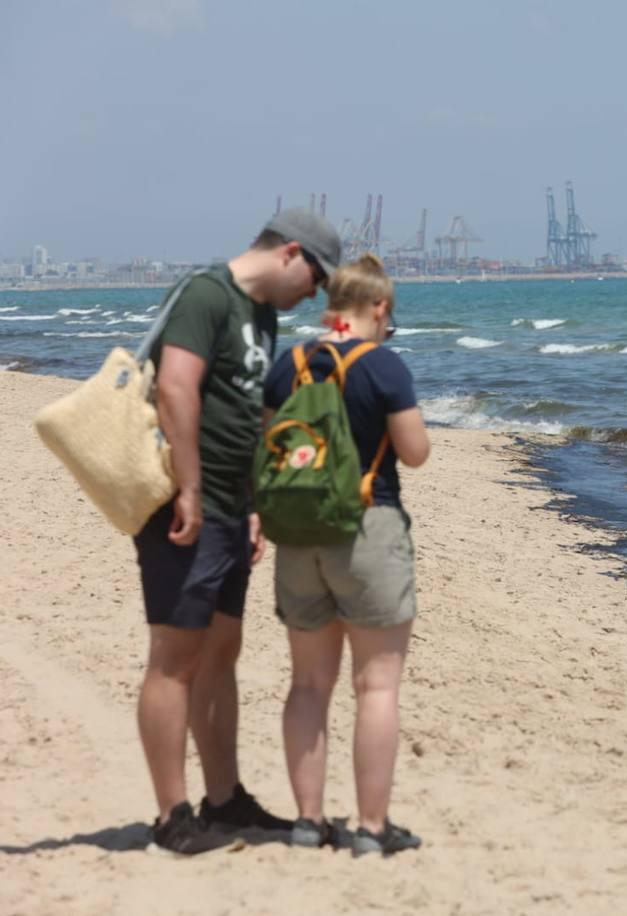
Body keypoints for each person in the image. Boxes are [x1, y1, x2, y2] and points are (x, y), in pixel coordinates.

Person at [135, 209, 341, 855]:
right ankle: (172, 815)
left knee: (221, 653)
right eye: (317, 278)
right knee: (175, 659)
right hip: (183, 502)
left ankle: (223, 801)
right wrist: (191, 488)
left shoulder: (263, 317)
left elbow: (250, 414)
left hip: (229, 506)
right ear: (292, 253)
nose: (315, 294)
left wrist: (252, 502)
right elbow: (176, 388)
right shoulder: (206, 294)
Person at [262, 253, 431, 857]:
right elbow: (414, 453)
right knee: (376, 686)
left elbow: (269, 446)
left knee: (308, 684)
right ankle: (371, 828)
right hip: (366, 529)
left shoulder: (291, 366)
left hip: (299, 535)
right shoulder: (383, 365)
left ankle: (308, 823)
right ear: (379, 307)